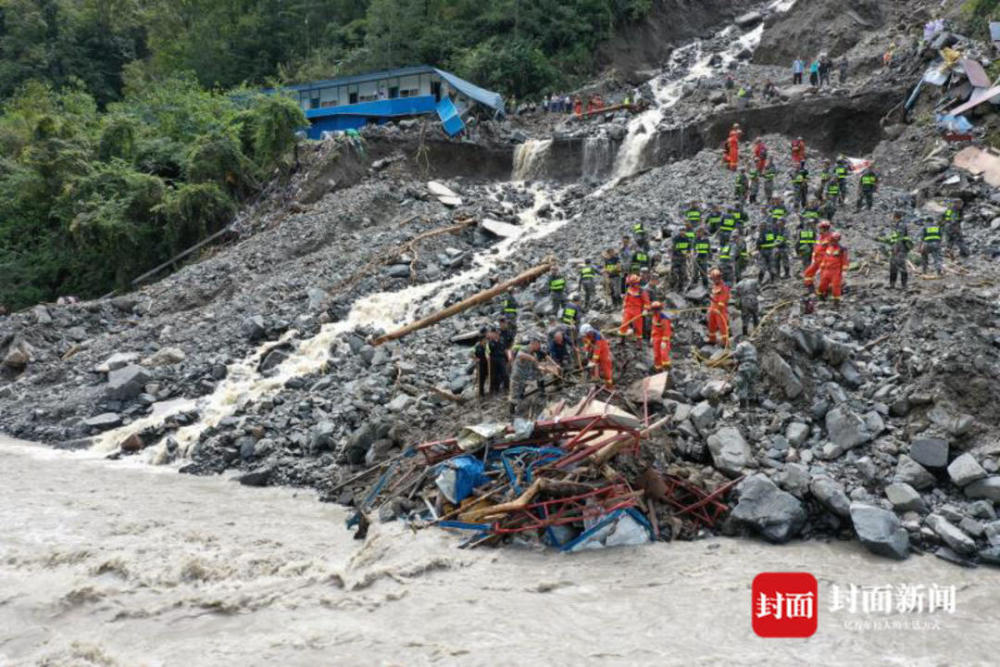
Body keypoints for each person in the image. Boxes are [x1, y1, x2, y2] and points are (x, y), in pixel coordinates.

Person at [508, 336, 556, 417]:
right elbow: (520, 355)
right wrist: (531, 358)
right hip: (517, 376)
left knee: (521, 395)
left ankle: (519, 411)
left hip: (524, 377)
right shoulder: (525, 349)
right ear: (534, 343)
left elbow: (536, 366)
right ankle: (511, 414)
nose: (539, 347)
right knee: (514, 395)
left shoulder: (534, 354)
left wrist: (544, 369)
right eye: (538, 344)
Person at [879, 219, 914, 289]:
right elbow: (892, 240)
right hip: (898, 250)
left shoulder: (900, 226)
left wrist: (896, 247)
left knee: (901, 267)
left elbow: (899, 238)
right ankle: (894, 284)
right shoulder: (898, 227)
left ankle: (903, 285)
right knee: (893, 268)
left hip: (899, 251)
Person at [816, 231, 848, 304]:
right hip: (826, 270)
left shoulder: (842, 249)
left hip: (836, 271)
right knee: (822, 285)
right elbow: (825, 258)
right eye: (832, 240)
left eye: (834, 240)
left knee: (836, 287)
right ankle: (821, 298)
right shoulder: (828, 248)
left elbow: (845, 260)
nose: (832, 242)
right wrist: (820, 268)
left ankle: (836, 302)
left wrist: (844, 271)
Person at [803, 219, 833, 292]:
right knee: (808, 273)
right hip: (816, 259)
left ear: (824, 228)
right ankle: (810, 288)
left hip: (824, 260)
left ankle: (828, 290)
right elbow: (816, 247)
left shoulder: (830, 238)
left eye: (820, 228)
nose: (819, 229)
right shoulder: (820, 237)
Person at [620, 274, 650, 340]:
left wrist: (645, 310)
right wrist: (623, 308)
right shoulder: (629, 290)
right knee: (624, 324)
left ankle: (639, 343)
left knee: (638, 326)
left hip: (637, 310)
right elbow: (626, 300)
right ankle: (622, 341)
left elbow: (646, 302)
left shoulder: (641, 291)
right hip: (628, 309)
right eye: (634, 283)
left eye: (637, 283)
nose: (636, 284)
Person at [706, 268, 731, 346]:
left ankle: (725, 342)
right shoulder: (714, 286)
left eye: (715, 278)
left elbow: (724, 298)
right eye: (713, 279)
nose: (714, 280)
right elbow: (714, 297)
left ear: (719, 278)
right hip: (713, 308)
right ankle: (712, 339)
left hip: (720, 310)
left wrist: (719, 309)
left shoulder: (724, 287)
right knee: (711, 325)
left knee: (722, 326)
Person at [733, 341, 760, 409]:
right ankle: (752, 405)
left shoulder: (741, 344)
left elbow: (737, 354)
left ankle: (743, 406)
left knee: (742, 384)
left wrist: (734, 357)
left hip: (745, 366)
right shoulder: (753, 347)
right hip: (754, 367)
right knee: (751, 384)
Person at [649, 302, 673, 371]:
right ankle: (658, 369)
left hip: (663, 338)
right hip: (656, 338)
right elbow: (653, 327)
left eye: (656, 310)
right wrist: (651, 337)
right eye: (654, 310)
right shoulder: (654, 317)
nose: (655, 312)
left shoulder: (664, 319)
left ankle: (667, 369)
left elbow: (666, 331)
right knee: (656, 355)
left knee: (664, 354)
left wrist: (664, 341)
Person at [488, 327, 509, 394]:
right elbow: (487, 352)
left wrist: (508, 357)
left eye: (497, 333)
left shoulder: (502, 340)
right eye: (495, 333)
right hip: (493, 359)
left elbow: (505, 349)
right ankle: (495, 389)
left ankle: (506, 388)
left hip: (501, 358)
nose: (496, 334)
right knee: (495, 375)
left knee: (504, 373)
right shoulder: (490, 342)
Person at [757, 219, 778, 284]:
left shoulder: (762, 233)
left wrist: (758, 248)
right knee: (771, 267)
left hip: (764, 252)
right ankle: (772, 281)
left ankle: (759, 282)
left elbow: (759, 243)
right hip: (771, 251)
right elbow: (772, 241)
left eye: (761, 226)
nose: (760, 227)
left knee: (762, 268)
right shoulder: (770, 232)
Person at [670, 225, 691, 289]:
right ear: (679, 231)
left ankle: (680, 287)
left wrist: (688, 253)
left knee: (682, 273)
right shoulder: (676, 238)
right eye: (681, 231)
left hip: (683, 259)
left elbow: (689, 248)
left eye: (684, 231)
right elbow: (674, 249)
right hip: (676, 258)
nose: (682, 232)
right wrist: (682, 252)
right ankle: (672, 286)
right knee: (674, 272)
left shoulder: (687, 239)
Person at [473, 327, 491, 399]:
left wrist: (488, 356)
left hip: (486, 363)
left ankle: (489, 389)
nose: (485, 341)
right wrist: (475, 359)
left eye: (485, 340)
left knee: (488, 375)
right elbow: (471, 354)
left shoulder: (486, 345)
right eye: (484, 340)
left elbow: (488, 352)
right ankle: (481, 392)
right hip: (480, 364)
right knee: (481, 378)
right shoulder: (477, 346)